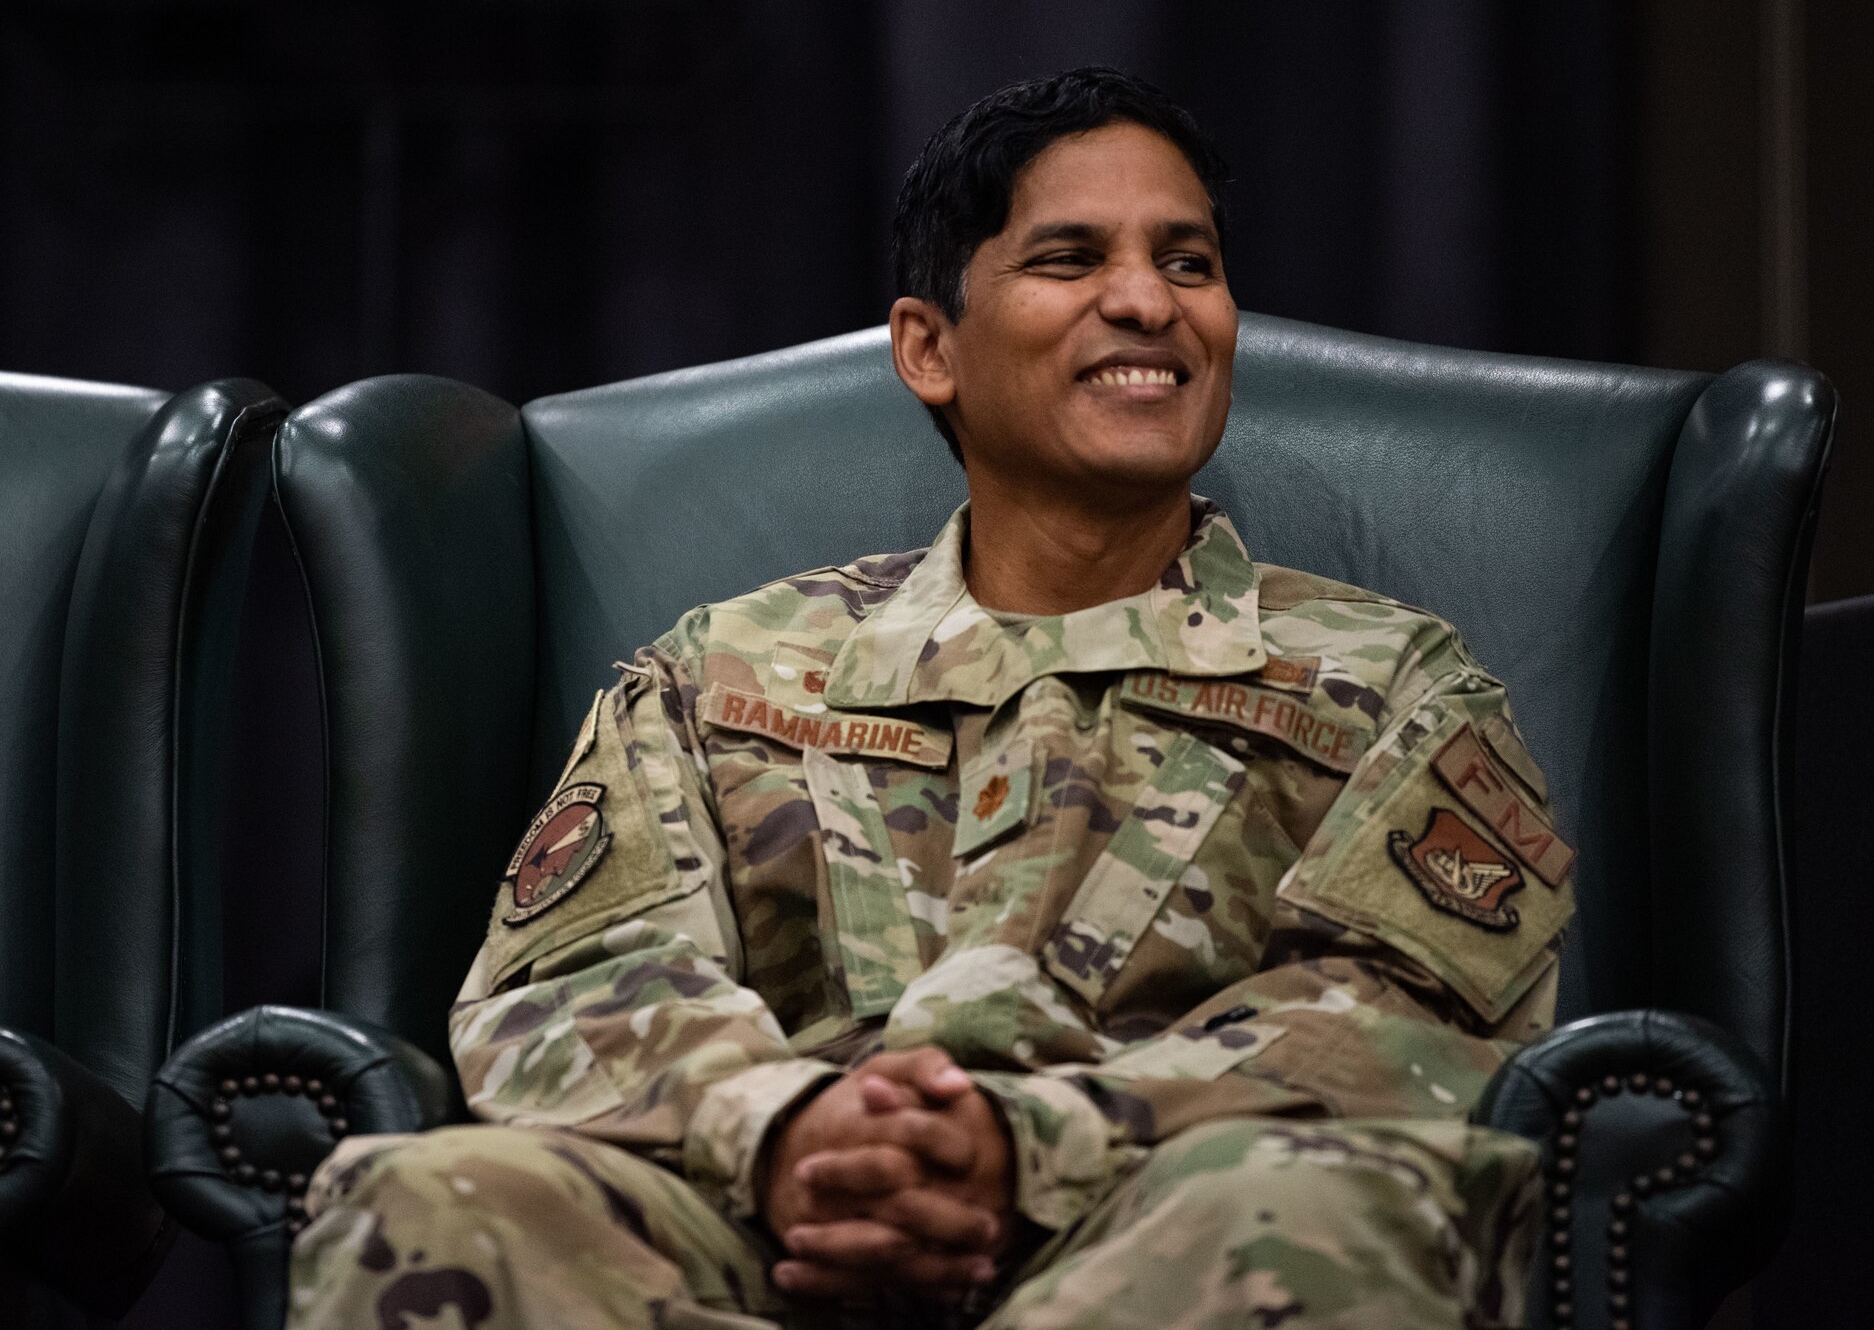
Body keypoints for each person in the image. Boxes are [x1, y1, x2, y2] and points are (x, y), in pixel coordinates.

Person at [289, 66, 1573, 1330]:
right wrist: (785, 1133)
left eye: (1187, 262)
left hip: (1158, 1220)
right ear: (928, 348)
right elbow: (566, 987)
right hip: (767, 1232)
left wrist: (1027, 1149)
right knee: (430, 1192)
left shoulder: (1389, 678)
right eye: (1070, 259)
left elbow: (1397, 1024)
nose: (1146, 301)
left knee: (1304, 1206)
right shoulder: (723, 670)